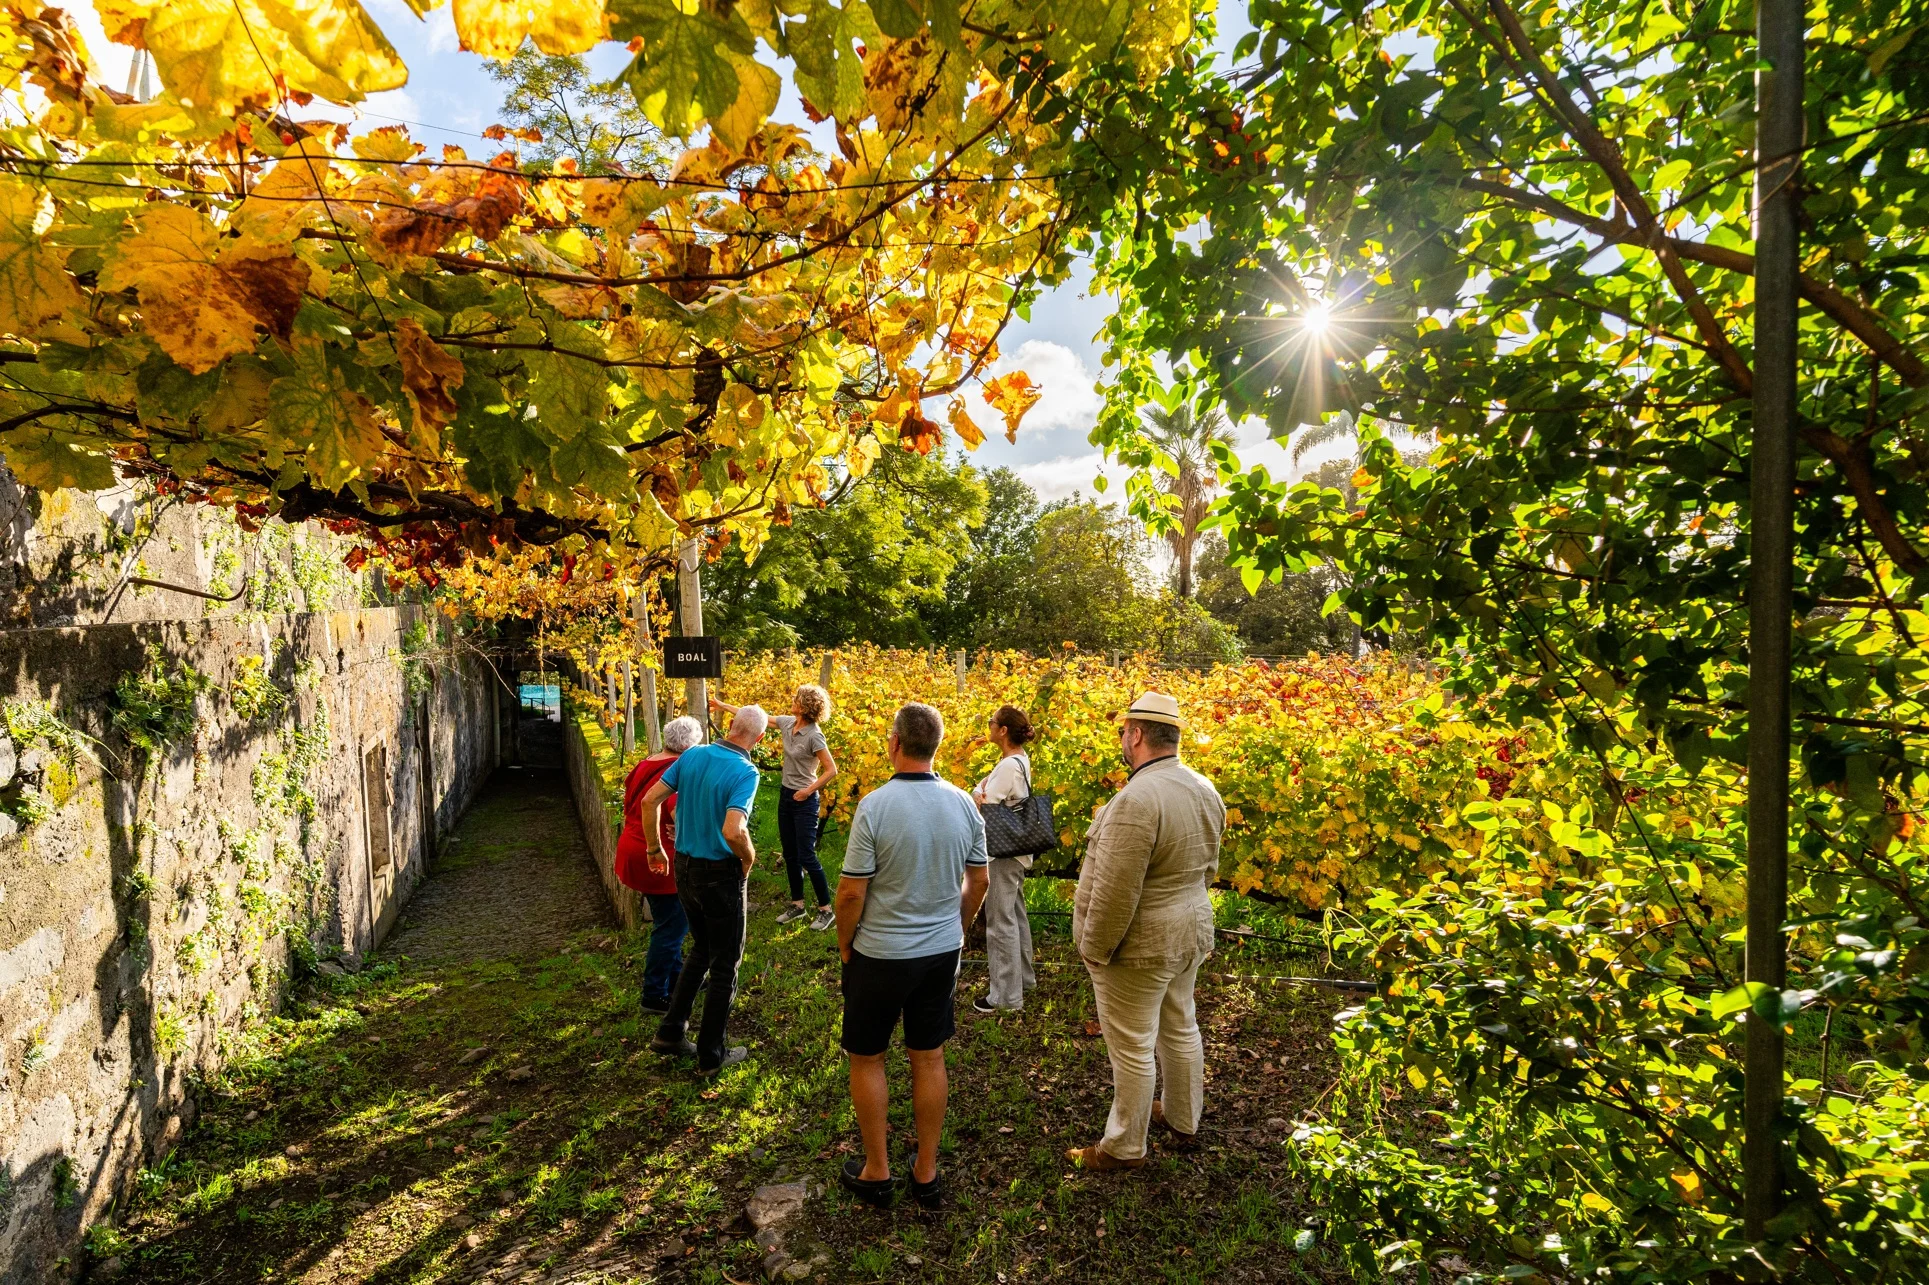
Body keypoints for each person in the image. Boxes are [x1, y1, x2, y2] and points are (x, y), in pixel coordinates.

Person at [833, 703, 990, 1209]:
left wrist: (845, 946)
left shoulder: (875, 806)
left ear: (895, 744)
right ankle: (926, 1170)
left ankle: (876, 1170)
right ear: (936, 746)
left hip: (880, 953)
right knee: (929, 1055)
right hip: (939, 952)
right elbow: (979, 879)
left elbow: (852, 893)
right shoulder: (966, 804)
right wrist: (957, 929)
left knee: (868, 1056)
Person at [1068, 691, 1225, 1171]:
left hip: (1140, 944)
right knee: (1181, 1024)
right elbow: (1210, 868)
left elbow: (1116, 893)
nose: (1122, 739)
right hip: (1189, 930)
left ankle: (1123, 1147)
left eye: (1123, 731)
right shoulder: (1204, 788)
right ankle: (1183, 1118)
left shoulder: (1136, 798)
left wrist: (1094, 949)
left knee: (1133, 1044)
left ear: (1136, 735)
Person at [639, 703, 769, 1076]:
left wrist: (654, 847)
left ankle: (670, 1032)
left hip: (683, 867)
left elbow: (651, 800)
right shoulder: (746, 771)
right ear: (759, 739)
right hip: (719, 875)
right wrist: (748, 857)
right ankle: (711, 1055)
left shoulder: (692, 755)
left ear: (729, 725)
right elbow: (733, 830)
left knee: (701, 949)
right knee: (726, 962)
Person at [712, 686, 838, 930]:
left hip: (805, 801)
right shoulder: (788, 722)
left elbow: (831, 769)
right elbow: (755, 719)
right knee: (790, 854)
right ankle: (798, 905)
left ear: (805, 706)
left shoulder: (814, 735)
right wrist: (723, 705)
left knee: (806, 856)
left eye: (796, 699)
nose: (792, 700)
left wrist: (808, 790)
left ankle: (826, 911)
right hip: (786, 796)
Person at [615, 716, 705, 1016]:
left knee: (669, 922)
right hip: (658, 859)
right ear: (691, 747)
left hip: (632, 848)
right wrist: (685, 829)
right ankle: (654, 995)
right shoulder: (675, 772)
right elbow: (678, 809)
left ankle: (677, 978)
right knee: (671, 928)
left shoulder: (646, 762)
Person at [971, 704, 1038, 1014]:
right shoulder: (1018, 761)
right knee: (1016, 914)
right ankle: (1023, 979)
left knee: (1000, 921)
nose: (988, 724)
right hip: (1017, 850)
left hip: (1001, 851)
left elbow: (987, 804)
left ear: (1003, 731)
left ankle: (1005, 997)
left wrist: (977, 795)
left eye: (992, 721)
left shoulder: (1009, 766)